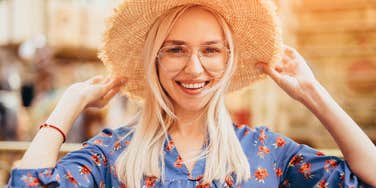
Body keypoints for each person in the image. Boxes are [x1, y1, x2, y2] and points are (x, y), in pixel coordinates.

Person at [7, 0, 376, 187]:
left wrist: (312, 94)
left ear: (229, 59)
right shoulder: (112, 153)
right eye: (176, 49)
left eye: (211, 50)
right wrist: (70, 103)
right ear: (155, 58)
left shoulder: (269, 152)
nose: (195, 68)